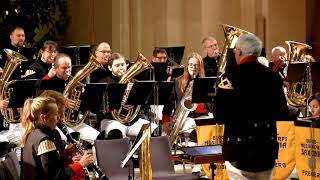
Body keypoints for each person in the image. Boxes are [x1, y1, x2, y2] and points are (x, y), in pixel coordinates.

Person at [215, 34, 288, 179]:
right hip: (265, 149)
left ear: (240, 52)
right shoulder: (272, 76)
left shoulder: (229, 77)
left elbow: (219, 115)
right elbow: (282, 112)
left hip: (238, 150)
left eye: (235, 50)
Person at [21, 96, 92, 180]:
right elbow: (56, 177)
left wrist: (67, 153)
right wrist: (80, 164)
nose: (58, 118)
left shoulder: (33, 133)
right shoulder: (44, 140)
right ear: (43, 118)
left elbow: (51, 165)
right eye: (55, 114)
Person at [98, 52, 158, 139]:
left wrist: (134, 92)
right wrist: (121, 92)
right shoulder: (104, 83)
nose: (121, 67)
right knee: (115, 133)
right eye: (117, 65)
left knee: (153, 130)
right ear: (110, 67)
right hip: (112, 120)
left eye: (122, 64)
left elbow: (144, 105)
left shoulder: (135, 83)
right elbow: (101, 107)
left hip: (133, 121)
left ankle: (142, 152)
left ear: (127, 65)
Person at [43, 53, 99, 143]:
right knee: (73, 139)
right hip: (57, 124)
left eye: (69, 67)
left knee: (98, 138)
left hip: (74, 121)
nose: (68, 70)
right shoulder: (49, 84)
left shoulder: (76, 83)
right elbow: (45, 106)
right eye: (64, 68)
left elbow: (84, 105)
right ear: (56, 69)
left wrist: (84, 102)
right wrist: (62, 102)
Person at [162, 52, 208, 137]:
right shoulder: (177, 81)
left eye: (196, 65)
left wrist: (198, 106)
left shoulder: (205, 82)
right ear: (187, 66)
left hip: (200, 116)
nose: (193, 68)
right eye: (190, 64)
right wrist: (165, 121)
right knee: (189, 125)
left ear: (200, 67)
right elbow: (168, 103)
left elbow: (210, 104)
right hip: (183, 118)